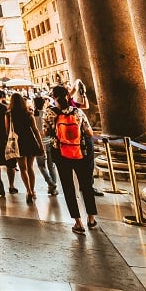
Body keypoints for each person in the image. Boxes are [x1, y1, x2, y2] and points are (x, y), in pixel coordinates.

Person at [44, 85, 98, 234]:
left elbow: (46, 132)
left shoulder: (49, 113)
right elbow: (89, 132)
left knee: (68, 187)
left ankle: (78, 222)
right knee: (86, 184)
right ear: (68, 96)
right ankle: (91, 218)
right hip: (80, 152)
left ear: (53, 97)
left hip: (61, 153)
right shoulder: (78, 112)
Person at [6, 92, 44, 202]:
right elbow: (36, 131)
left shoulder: (9, 114)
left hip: (18, 142)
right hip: (30, 141)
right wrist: (41, 146)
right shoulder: (29, 114)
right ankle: (33, 190)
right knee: (30, 167)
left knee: (23, 168)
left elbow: (7, 130)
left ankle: (28, 190)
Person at [32, 95, 59, 195]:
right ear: (44, 104)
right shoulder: (47, 114)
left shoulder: (33, 116)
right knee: (51, 165)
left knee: (41, 166)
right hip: (49, 141)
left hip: (38, 143)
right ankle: (53, 187)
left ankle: (50, 182)